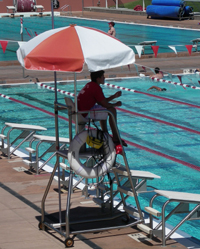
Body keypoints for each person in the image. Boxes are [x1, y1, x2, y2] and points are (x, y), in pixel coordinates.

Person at [77, 70, 127, 147]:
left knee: (103, 109)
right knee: (112, 111)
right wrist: (116, 104)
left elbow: (102, 102)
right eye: (102, 76)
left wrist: (114, 96)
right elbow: (106, 105)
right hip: (85, 113)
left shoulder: (90, 85)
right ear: (98, 78)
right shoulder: (96, 87)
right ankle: (115, 137)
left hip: (81, 111)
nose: (104, 78)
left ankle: (105, 134)